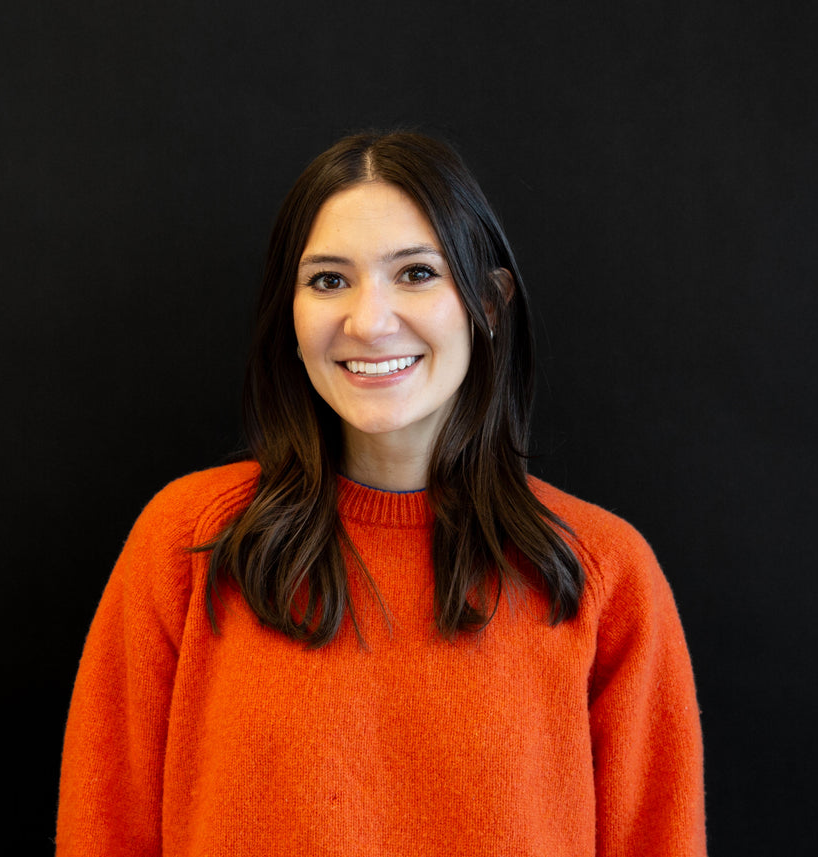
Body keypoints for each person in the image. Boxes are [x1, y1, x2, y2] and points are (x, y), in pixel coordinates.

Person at [56, 131, 706, 856]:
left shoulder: (604, 574)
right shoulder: (188, 542)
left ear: (488, 305)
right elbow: (101, 833)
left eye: (417, 273)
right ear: (290, 317)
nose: (369, 321)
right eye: (329, 280)